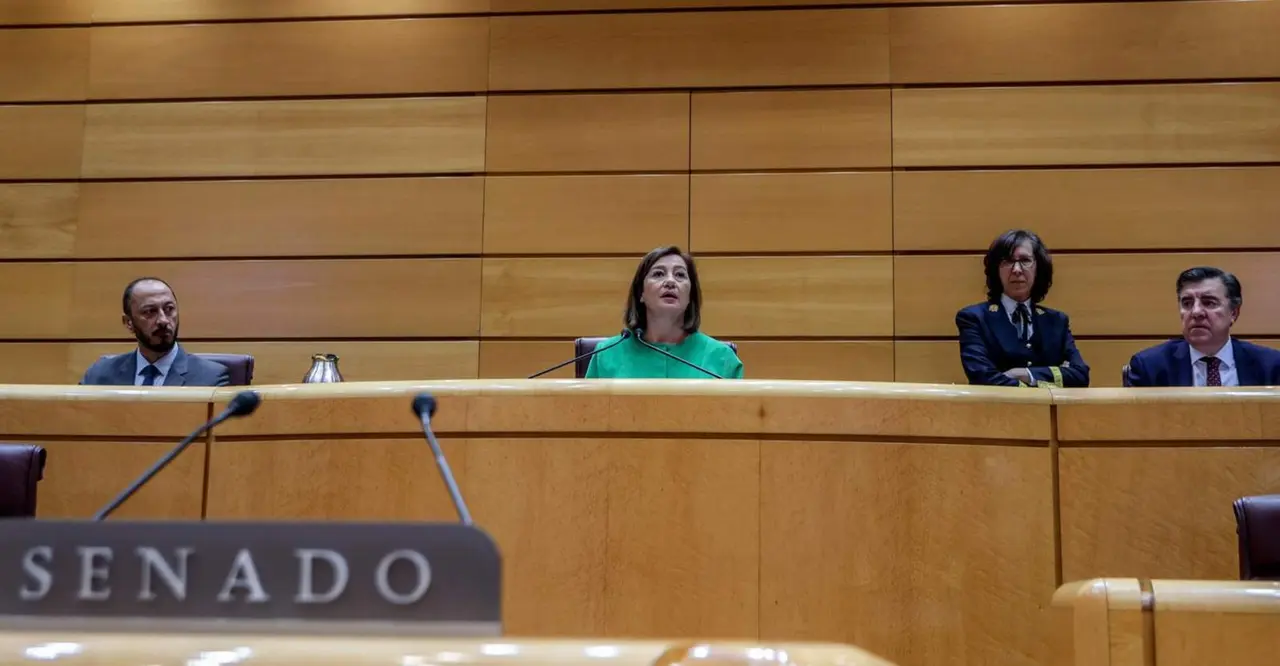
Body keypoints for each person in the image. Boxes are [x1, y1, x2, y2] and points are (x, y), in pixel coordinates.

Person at [955, 230, 1089, 387]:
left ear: (1038, 268)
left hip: (1048, 411)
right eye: (1007, 261)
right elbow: (982, 377)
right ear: (996, 270)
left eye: (1025, 260)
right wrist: (1046, 382)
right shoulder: (974, 318)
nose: (1017, 269)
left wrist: (1027, 375)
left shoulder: (1056, 322)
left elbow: (1080, 375)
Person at [586, 246, 743, 379]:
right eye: (658, 274)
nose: (670, 282)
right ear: (641, 293)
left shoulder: (722, 359)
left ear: (690, 296)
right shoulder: (606, 355)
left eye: (680, 275)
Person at [1125, 267, 1280, 387]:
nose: (1196, 312)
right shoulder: (1150, 366)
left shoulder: (1271, 366)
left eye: (1209, 302)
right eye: (1187, 303)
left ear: (1233, 313)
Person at [79, 277, 230, 387]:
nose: (163, 320)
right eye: (150, 312)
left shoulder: (210, 378)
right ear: (129, 323)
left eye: (169, 309)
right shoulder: (99, 376)